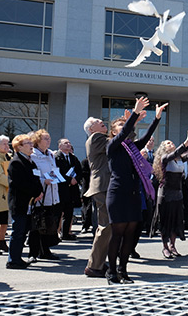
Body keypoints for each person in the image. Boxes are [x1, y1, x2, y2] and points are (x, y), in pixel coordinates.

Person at [105, 97, 166, 284]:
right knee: (117, 234)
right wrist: (135, 114)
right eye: (121, 127)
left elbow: (145, 138)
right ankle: (112, 271)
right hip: (117, 194)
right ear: (113, 132)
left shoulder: (132, 148)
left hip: (132, 194)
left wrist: (156, 119)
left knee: (130, 235)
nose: (126, 130)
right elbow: (124, 133)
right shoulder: (112, 146)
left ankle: (124, 270)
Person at [153, 132, 188, 258]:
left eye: (171, 142)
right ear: (163, 148)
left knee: (176, 220)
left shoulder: (179, 159)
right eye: (168, 143)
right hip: (166, 193)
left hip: (177, 192)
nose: (171, 144)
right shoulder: (164, 158)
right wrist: (186, 142)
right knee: (165, 221)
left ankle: (173, 245)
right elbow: (175, 154)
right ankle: (165, 247)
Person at [6, 134, 44, 269]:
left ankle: (18, 257)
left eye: (30, 142)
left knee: (24, 231)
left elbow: (36, 179)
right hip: (20, 202)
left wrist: (40, 192)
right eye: (27, 143)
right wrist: (35, 193)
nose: (31, 145)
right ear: (19, 147)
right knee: (18, 231)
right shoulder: (16, 162)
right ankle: (13, 260)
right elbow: (21, 183)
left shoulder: (30, 161)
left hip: (30, 202)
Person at [82, 117, 112, 278]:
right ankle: (94, 266)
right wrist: (131, 122)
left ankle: (98, 263)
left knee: (108, 226)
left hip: (104, 185)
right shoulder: (96, 138)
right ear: (91, 129)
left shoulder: (99, 138)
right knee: (106, 226)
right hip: (103, 185)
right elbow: (117, 142)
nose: (102, 121)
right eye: (97, 121)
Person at [29, 129, 61, 261]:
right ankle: (33, 252)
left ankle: (45, 250)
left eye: (49, 138)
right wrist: (43, 181)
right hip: (40, 194)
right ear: (37, 141)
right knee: (36, 225)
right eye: (45, 138)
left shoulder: (51, 154)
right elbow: (33, 175)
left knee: (47, 224)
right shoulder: (33, 155)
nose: (49, 140)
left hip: (52, 192)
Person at [55, 138, 82, 240]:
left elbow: (79, 170)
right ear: (60, 146)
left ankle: (65, 233)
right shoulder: (56, 157)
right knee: (58, 213)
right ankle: (55, 233)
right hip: (61, 189)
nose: (68, 144)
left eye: (69, 143)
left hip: (72, 190)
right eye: (65, 143)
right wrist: (68, 180)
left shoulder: (73, 158)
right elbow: (57, 172)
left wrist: (76, 179)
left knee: (69, 213)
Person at [79, 158, 92, 234]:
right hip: (87, 188)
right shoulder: (85, 162)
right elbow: (83, 174)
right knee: (86, 207)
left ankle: (90, 224)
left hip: (95, 187)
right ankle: (85, 225)